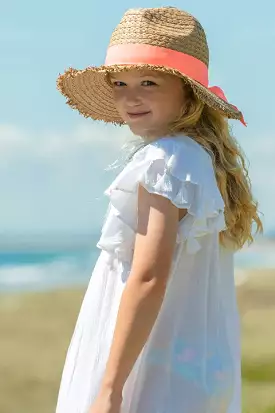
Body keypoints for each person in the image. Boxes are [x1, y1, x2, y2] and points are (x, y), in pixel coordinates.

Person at [55, 7, 262, 413]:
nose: (130, 97)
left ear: (187, 91)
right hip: (192, 370)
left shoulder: (164, 160)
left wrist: (110, 389)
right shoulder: (200, 159)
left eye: (149, 82)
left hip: (149, 378)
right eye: (119, 83)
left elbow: (148, 276)